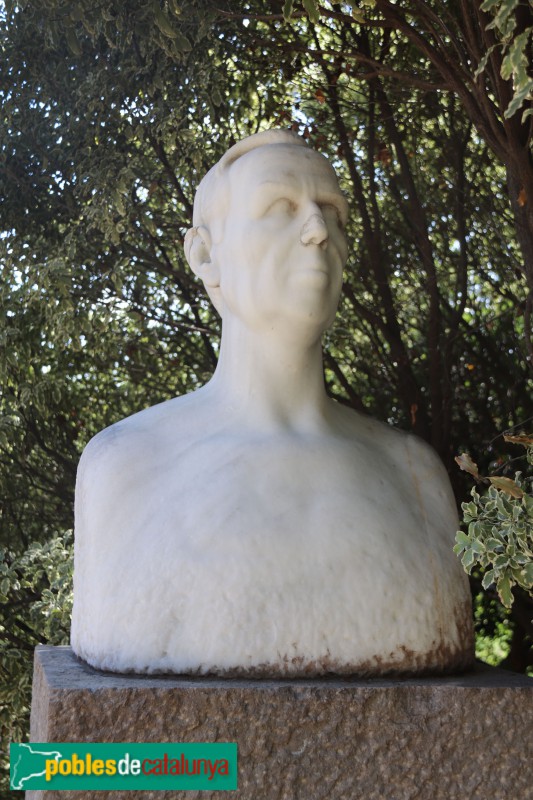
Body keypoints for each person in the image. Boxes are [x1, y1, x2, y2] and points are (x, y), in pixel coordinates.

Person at [71, 130, 473, 675]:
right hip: (188, 767)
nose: (316, 230)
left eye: (332, 211)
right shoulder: (124, 468)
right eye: (279, 207)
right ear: (206, 254)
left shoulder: (415, 474)